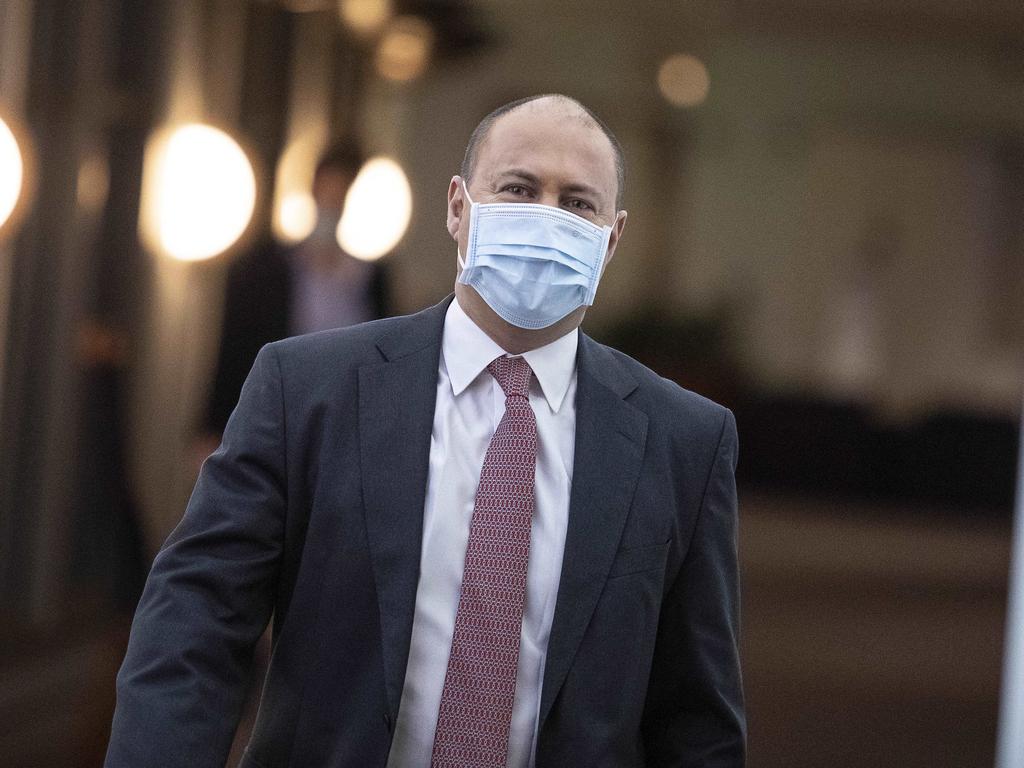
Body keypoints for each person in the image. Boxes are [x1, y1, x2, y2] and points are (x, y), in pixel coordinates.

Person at [105, 94, 745, 768]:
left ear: (611, 239)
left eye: (577, 204)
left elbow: (696, 721)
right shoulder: (307, 391)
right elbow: (194, 626)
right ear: (458, 207)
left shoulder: (684, 445)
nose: (545, 216)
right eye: (519, 188)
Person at [200, 140, 390, 444]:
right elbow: (235, 347)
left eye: (343, 192)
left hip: (341, 426)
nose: (334, 201)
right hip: (272, 417)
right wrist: (210, 429)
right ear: (315, 188)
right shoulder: (265, 270)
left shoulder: (368, 279)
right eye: (330, 189)